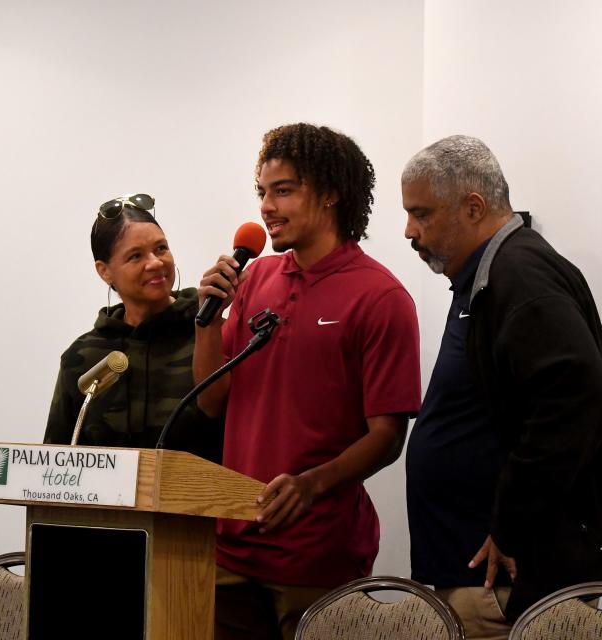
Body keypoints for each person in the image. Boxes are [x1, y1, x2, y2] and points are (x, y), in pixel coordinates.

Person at [402, 135, 602, 637]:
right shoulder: (492, 273)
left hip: (512, 588)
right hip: (486, 582)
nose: (409, 231)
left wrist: (511, 521)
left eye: (422, 213)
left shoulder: (519, 273)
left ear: (473, 208)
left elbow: (578, 394)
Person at [193, 123, 422, 640]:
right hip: (231, 550)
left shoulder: (381, 298)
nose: (267, 207)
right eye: (263, 192)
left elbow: (387, 436)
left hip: (319, 560)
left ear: (331, 193)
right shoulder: (255, 279)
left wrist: (310, 484)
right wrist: (206, 323)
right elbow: (211, 402)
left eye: (284, 190)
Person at [44, 193, 223, 462]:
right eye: (135, 256)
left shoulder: (210, 332)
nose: (155, 263)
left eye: (161, 248)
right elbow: (53, 468)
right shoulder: (82, 358)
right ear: (105, 271)